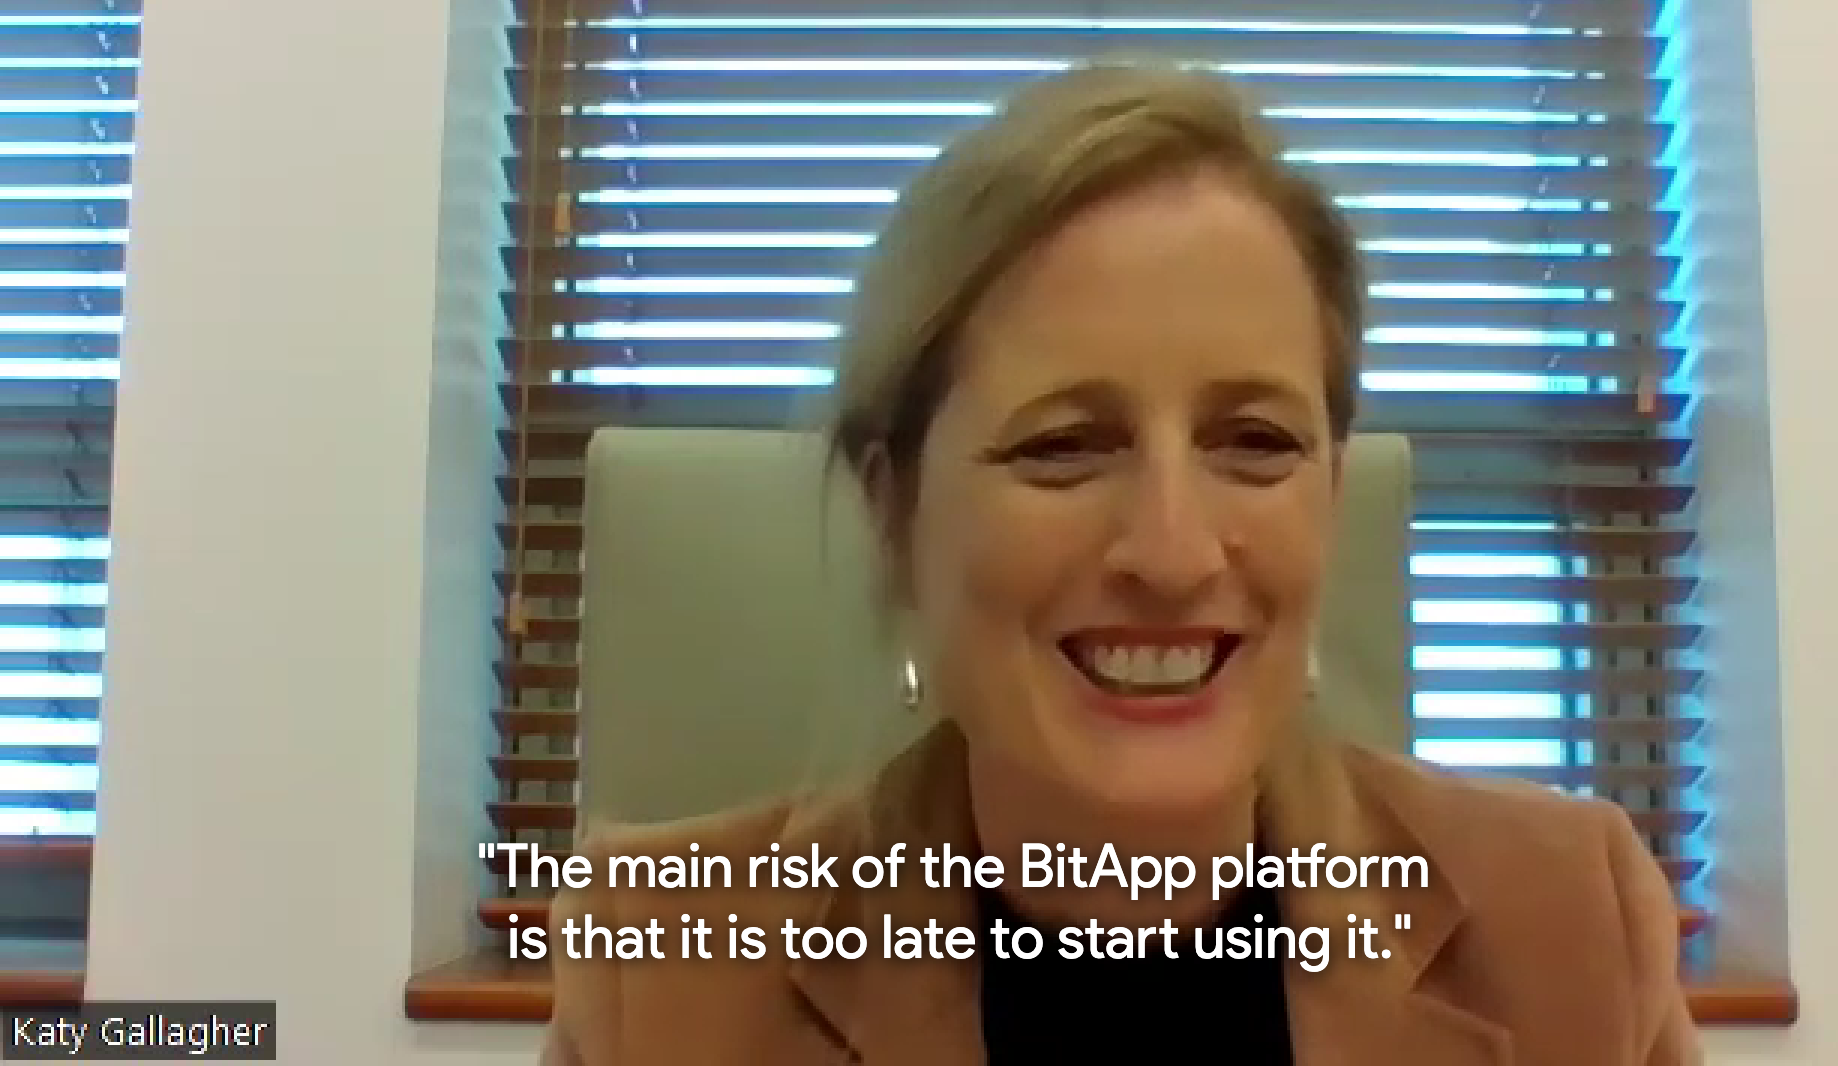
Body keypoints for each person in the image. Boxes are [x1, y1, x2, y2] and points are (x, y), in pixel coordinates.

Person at [540, 59, 1703, 1065]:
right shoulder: (664, 974)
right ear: (892, 512)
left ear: (1333, 493)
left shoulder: (1573, 927)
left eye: (1255, 442)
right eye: (1063, 445)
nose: (1173, 552)